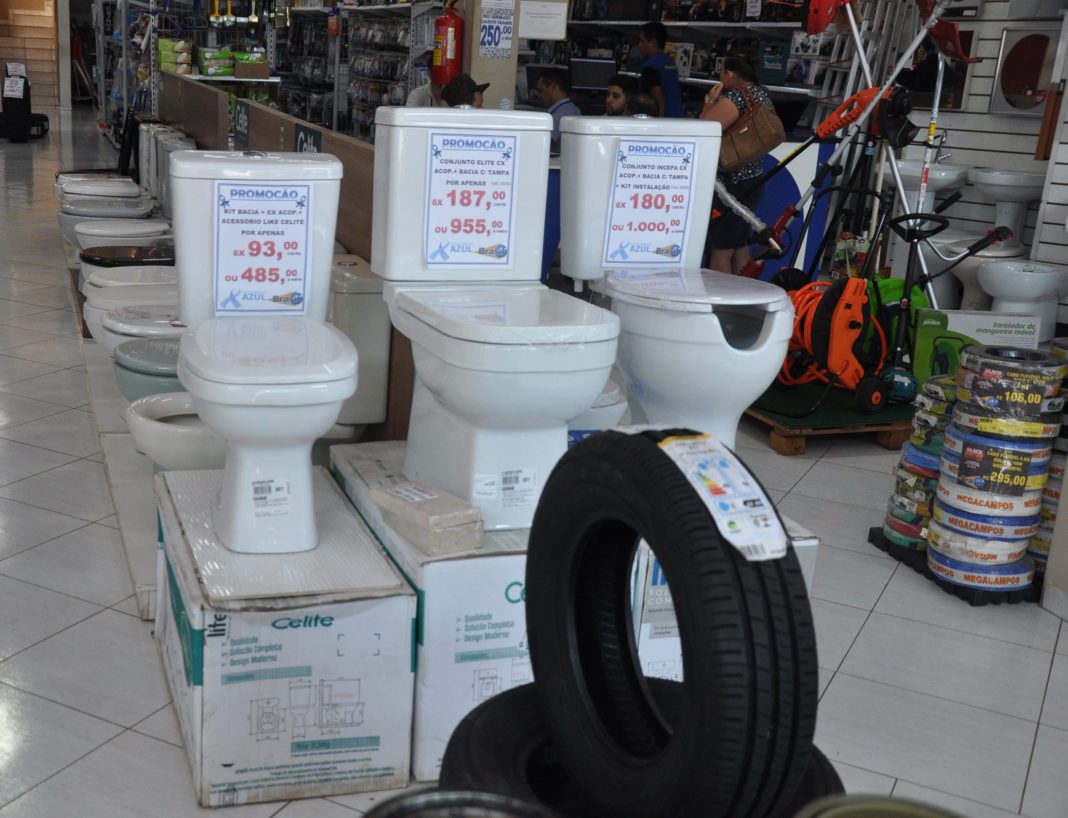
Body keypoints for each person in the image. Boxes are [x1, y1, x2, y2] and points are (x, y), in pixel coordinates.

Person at [700, 50, 773, 275]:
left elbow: (703, 129)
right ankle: (743, 293)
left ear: (730, 74)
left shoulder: (735, 98)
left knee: (721, 250)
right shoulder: (761, 93)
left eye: (722, 72)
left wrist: (709, 102)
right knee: (740, 246)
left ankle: (717, 295)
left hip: (730, 185)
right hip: (753, 179)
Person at [637, 21, 683, 118]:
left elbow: (658, 98)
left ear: (652, 43)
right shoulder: (670, 62)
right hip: (677, 117)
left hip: (663, 120)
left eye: (642, 41)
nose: (639, 45)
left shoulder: (651, 66)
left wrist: (659, 122)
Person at [536, 67, 581, 154]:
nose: (539, 95)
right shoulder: (570, 109)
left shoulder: (563, 113)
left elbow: (541, 142)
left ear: (553, 88)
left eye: (541, 90)